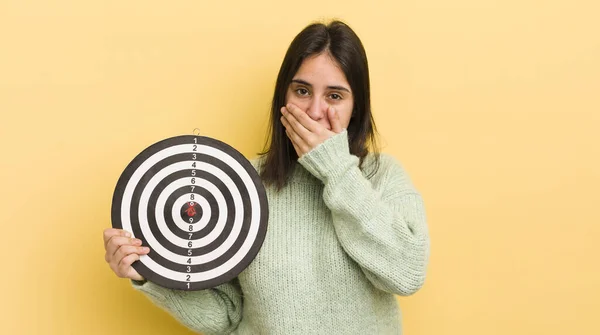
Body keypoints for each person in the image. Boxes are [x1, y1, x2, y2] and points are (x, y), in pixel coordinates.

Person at [103, 20, 430, 334]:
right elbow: (226, 317)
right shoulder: (241, 183)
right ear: (282, 99)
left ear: (356, 106)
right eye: (302, 91)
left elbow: (407, 274)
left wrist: (336, 170)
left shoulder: (382, 176)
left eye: (334, 96)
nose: (314, 111)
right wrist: (149, 275)